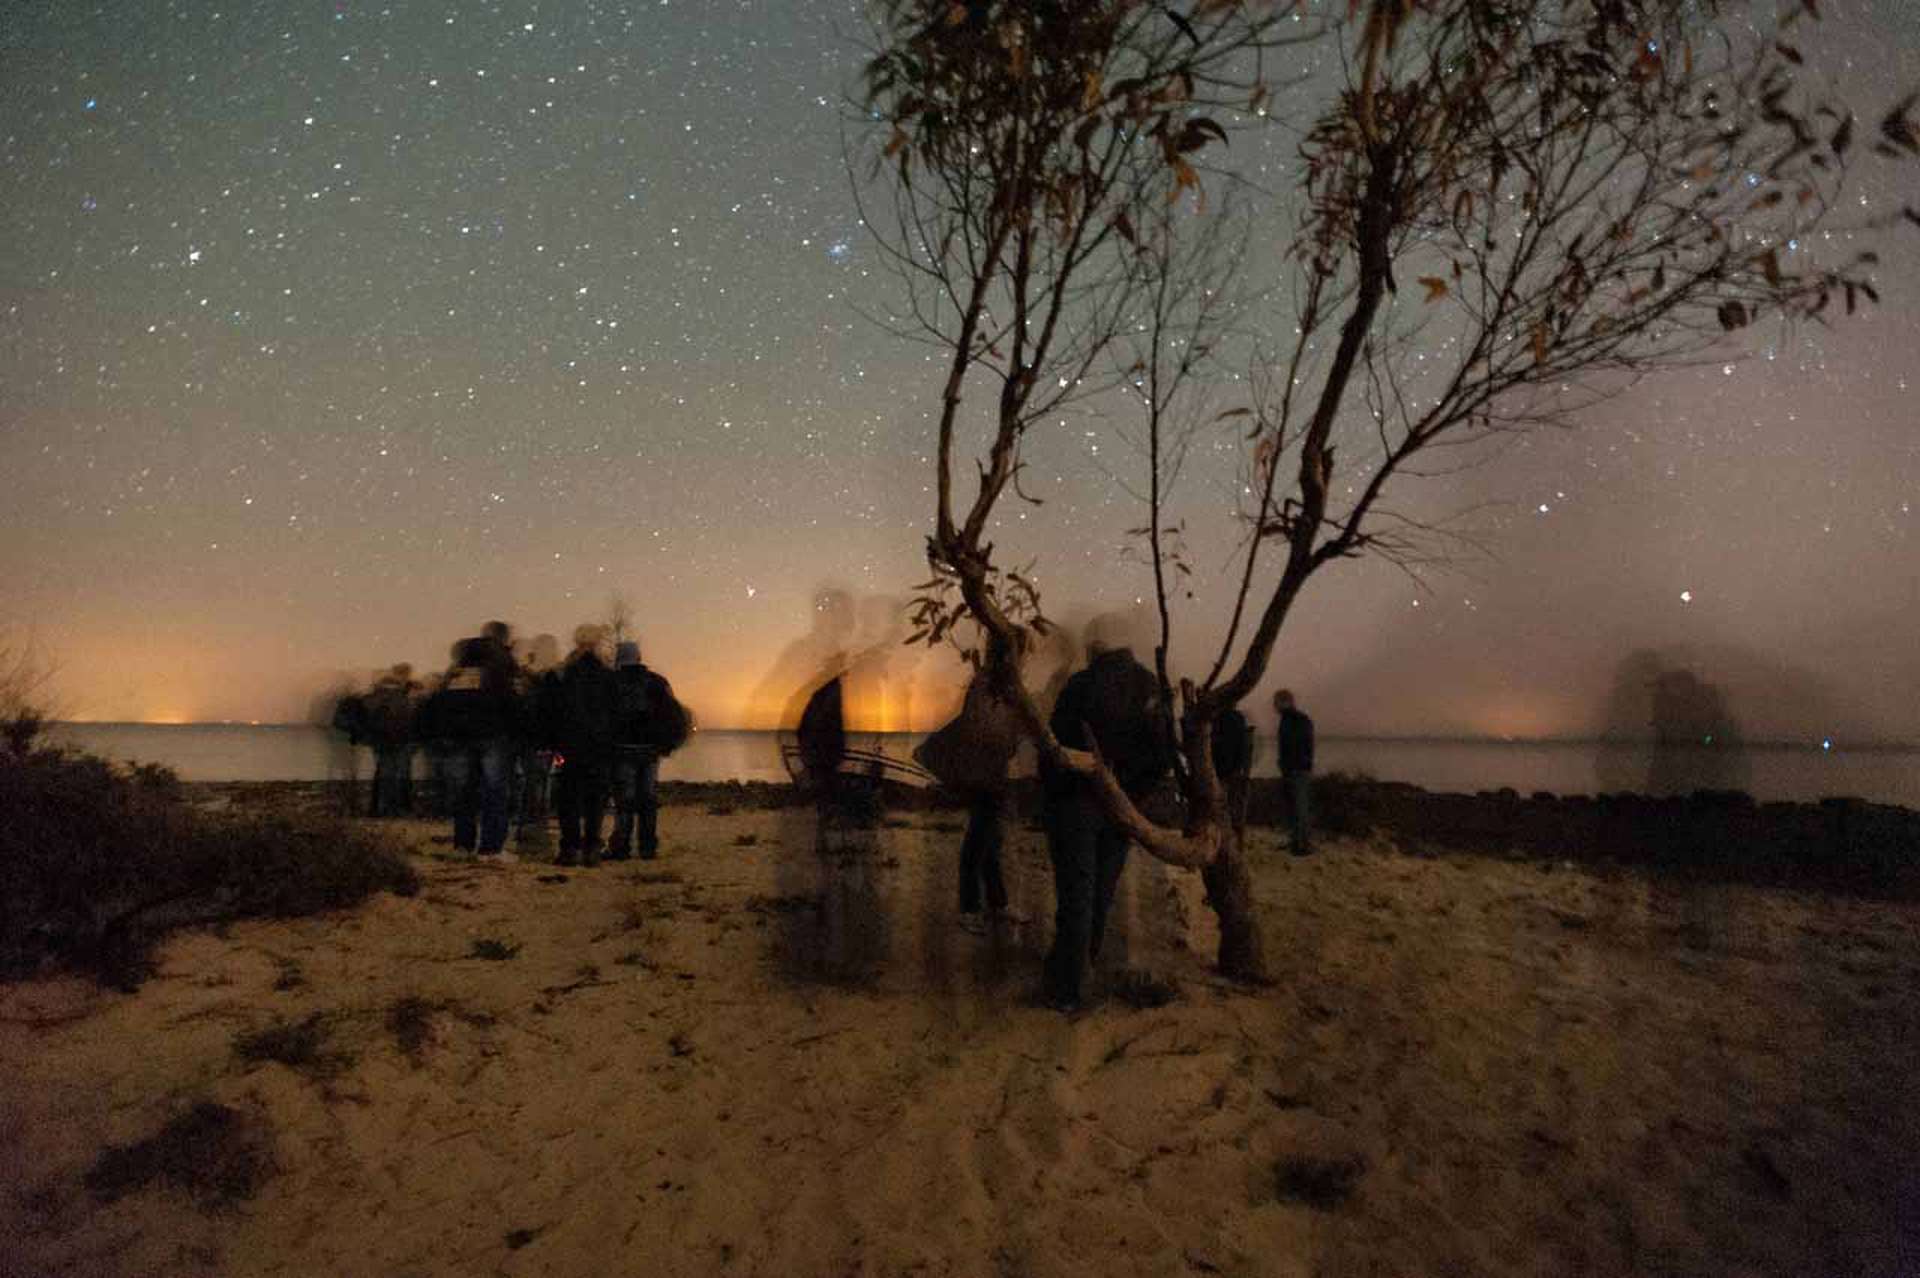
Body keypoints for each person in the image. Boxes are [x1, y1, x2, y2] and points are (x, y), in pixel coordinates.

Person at [1039, 645, 1172, 1010]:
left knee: (1076, 892)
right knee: (1101, 892)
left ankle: (1067, 986)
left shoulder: (1081, 684)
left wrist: (1054, 795)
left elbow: (1054, 747)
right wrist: (1136, 794)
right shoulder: (1150, 685)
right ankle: (1080, 965)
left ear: (1094, 650)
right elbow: (1165, 752)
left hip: (1077, 802)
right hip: (1122, 806)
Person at [420, 624, 522, 863]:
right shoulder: (501, 664)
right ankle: (491, 849)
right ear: (503, 640)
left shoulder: (457, 669)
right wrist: (518, 730)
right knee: (494, 792)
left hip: (458, 739)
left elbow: (439, 702)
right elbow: (510, 701)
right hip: (492, 736)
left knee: (463, 794)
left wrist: (442, 733)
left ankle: (462, 846)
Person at [609, 639, 690, 861]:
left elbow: (605, 718)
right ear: (638, 657)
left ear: (619, 659)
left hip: (622, 750)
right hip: (650, 750)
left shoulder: (611, 683)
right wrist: (665, 745)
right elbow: (672, 715)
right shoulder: (656, 682)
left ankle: (621, 848)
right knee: (647, 799)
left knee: (624, 801)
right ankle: (647, 847)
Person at [546, 624, 618, 868]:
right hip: (599, 746)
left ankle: (569, 849)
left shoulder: (562, 673)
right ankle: (591, 849)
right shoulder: (608, 676)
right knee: (595, 800)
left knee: (569, 798)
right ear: (597, 643)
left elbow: (552, 710)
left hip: (570, 744)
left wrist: (552, 741)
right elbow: (616, 713)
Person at [363, 663, 420, 817]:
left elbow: (369, 716)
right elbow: (406, 718)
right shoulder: (399, 695)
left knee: (383, 773)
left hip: (381, 740)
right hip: (398, 740)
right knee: (397, 774)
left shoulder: (374, 693)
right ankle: (393, 808)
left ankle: (379, 808)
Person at [1274, 688, 1315, 857]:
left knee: (1299, 807)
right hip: (1296, 768)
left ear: (1285, 702)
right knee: (1296, 807)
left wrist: (1289, 764)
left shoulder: (1294, 720)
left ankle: (1302, 845)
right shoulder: (1295, 719)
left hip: (1296, 769)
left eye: (1276, 702)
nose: (1274, 706)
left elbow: (1296, 745)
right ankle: (1298, 842)